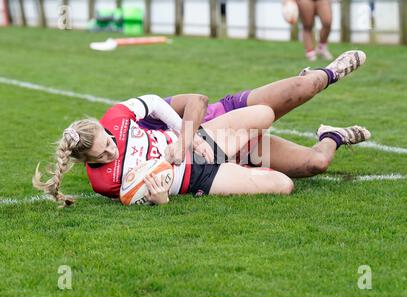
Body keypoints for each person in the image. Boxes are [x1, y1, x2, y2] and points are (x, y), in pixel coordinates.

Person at [33, 50, 369, 207]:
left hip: (215, 130)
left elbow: (194, 99)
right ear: (83, 161)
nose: (111, 151)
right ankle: (333, 135)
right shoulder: (103, 182)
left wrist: (186, 138)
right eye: (102, 155)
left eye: (108, 143)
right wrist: (159, 195)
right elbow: (145, 197)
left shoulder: (120, 117)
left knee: (290, 97)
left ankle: (324, 73)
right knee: (314, 166)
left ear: (105, 129)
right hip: (201, 172)